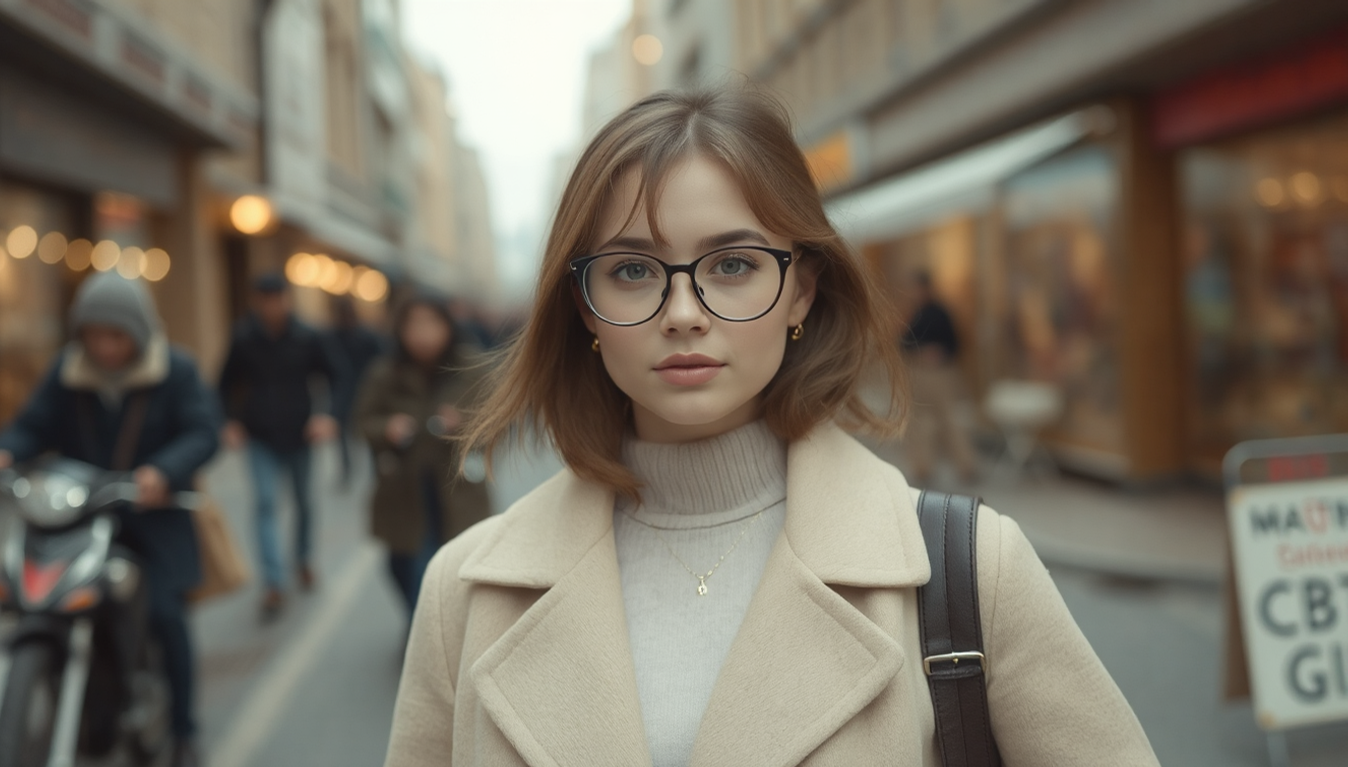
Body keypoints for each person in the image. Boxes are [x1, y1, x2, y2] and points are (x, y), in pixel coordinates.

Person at [383, 87, 1158, 767]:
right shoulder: (465, 593)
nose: (683, 314)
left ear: (801, 291)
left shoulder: (968, 570)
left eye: (732, 265)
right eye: (631, 270)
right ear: (584, 305)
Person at [0, 273, 220, 767]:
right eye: (93, 334)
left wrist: (164, 471)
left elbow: (204, 431)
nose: (104, 347)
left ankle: (184, 731)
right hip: (78, 517)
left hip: (151, 518)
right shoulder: (67, 370)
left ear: (138, 330)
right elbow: (32, 425)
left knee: (165, 616)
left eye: (115, 334)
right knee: (41, 600)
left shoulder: (175, 370)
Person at [353, 294, 490, 620]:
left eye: (432, 323)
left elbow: (498, 419)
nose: (424, 334)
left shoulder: (470, 365)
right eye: (414, 325)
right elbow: (362, 421)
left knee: (447, 565)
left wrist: (463, 423)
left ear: (448, 326)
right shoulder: (385, 372)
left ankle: (429, 633)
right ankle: (422, 626)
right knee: (401, 564)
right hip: (404, 488)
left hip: (457, 487)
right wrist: (388, 428)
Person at [217, 274, 343, 619]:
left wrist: (327, 415)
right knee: (266, 504)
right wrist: (229, 421)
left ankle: (302, 559)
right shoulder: (244, 337)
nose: (271, 306)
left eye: (277, 298)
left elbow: (336, 376)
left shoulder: (307, 336)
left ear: (287, 299)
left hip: (301, 434)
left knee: (303, 502)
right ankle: (274, 582)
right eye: (265, 299)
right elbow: (224, 384)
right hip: (259, 435)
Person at [901, 270, 978, 486]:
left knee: (950, 419)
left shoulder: (940, 312)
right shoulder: (915, 313)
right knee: (920, 422)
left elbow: (955, 342)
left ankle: (966, 464)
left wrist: (938, 353)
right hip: (920, 372)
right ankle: (922, 466)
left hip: (940, 373)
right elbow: (903, 343)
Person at [327, 296, 385, 487]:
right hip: (347, 391)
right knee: (345, 434)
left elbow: (382, 361)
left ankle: (359, 470)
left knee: (363, 431)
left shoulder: (364, 336)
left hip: (363, 391)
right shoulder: (334, 336)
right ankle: (350, 470)